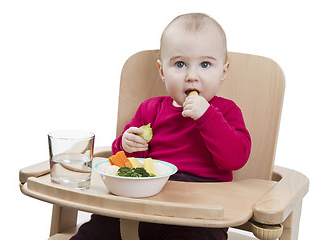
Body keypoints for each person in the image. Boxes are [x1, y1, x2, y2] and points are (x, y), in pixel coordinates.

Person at [71, 12, 251, 240]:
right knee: (97, 227)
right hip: (140, 205)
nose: (192, 76)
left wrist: (207, 116)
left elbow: (235, 159)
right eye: (180, 64)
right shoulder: (150, 109)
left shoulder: (226, 112)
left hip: (197, 217)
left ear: (223, 72)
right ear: (162, 70)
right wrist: (126, 144)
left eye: (205, 64)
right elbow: (123, 161)